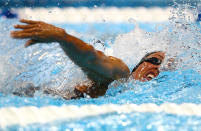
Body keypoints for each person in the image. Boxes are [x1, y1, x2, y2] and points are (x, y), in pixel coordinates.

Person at [11, 19, 165, 99]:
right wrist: (62, 37)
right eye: (155, 60)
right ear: (137, 65)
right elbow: (92, 58)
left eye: (164, 69)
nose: (157, 69)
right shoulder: (120, 72)